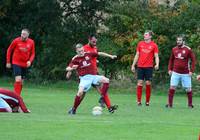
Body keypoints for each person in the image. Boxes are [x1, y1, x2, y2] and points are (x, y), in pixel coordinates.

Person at [66, 34, 117, 107]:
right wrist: (69, 71)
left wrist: (110, 56)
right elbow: (75, 59)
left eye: (95, 42)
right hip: (85, 75)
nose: (95, 43)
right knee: (82, 94)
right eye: (93, 42)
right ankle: (74, 108)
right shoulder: (84, 48)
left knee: (102, 88)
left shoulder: (94, 48)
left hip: (93, 73)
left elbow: (98, 54)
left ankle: (108, 106)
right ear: (89, 40)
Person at [166, 35, 196, 108]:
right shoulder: (174, 49)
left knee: (188, 89)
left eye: (180, 40)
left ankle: (190, 104)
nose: (178, 42)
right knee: (172, 87)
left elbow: (193, 60)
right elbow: (171, 60)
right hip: (175, 72)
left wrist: (191, 71)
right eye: (177, 40)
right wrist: (169, 69)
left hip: (186, 73)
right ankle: (170, 104)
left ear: (183, 41)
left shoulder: (188, 49)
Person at [131, 31, 159, 106]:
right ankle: (139, 102)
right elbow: (137, 55)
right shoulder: (140, 44)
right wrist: (133, 65)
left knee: (148, 83)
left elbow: (156, 56)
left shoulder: (154, 45)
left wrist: (157, 64)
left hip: (149, 67)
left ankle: (147, 102)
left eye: (146, 35)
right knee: (140, 82)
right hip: (140, 66)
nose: (144, 36)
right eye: (144, 35)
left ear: (150, 36)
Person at [6, 29, 35, 96]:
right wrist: (8, 61)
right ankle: (16, 97)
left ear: (28, 35)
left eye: (24, 34)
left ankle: (17, 96)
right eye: (22, 34)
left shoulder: (31, 42)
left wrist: (30, 61)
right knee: (18, 80)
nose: (22, 35)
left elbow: (33, 53)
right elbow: (9, 50)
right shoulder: (16, 40)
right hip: (16, 62)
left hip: (24, 64)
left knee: (21, 82)